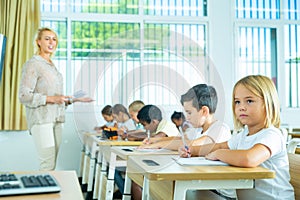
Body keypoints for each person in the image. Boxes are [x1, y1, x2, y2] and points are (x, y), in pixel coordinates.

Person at [179, 75, 295, 199]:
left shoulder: (272, 135)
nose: (241, 107)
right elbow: (219, 146)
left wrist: (219, 154)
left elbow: (249, 158)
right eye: (237, 102)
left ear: (268, 103)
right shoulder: (243, 135)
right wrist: (193, 151)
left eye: (249, 101)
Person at [138, 84, 236, 199]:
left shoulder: (220, 128)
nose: (187, 117)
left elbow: (191, 144)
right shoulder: (197, 130)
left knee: (168, 189)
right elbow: (179, 139)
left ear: (204, 111)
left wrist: (157, 145)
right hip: (203, 186)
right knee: (163, 187)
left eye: (189, 113)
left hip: (218, 192)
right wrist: (155, 140)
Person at [18, 27, 93, 171]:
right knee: (47, 164)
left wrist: (74, 100)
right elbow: (24, 96)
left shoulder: (51, 66)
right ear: (38, 42)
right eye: (47, 39)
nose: (51, 42)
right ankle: (44, 192)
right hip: (41, 120)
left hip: (57, 119)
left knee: (51, 164)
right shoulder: (33, 64)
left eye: (54, 39)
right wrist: (52, 99)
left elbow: (57, 99)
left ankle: (48, 192)